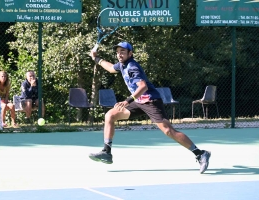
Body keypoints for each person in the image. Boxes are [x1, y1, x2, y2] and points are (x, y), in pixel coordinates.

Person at [89, 41, 211, 174]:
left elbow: (143, 87)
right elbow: (112, 68)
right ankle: (107, 151)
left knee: (168, 131)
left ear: (130, 53)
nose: (119, 54)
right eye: (118, 52)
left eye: (122, 52)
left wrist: (127, 101)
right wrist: (96, 58)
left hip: (151, 101)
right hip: (139, 101)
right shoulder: (122, 65)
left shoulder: (132, 67)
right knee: (110, 115)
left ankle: (201, 153)